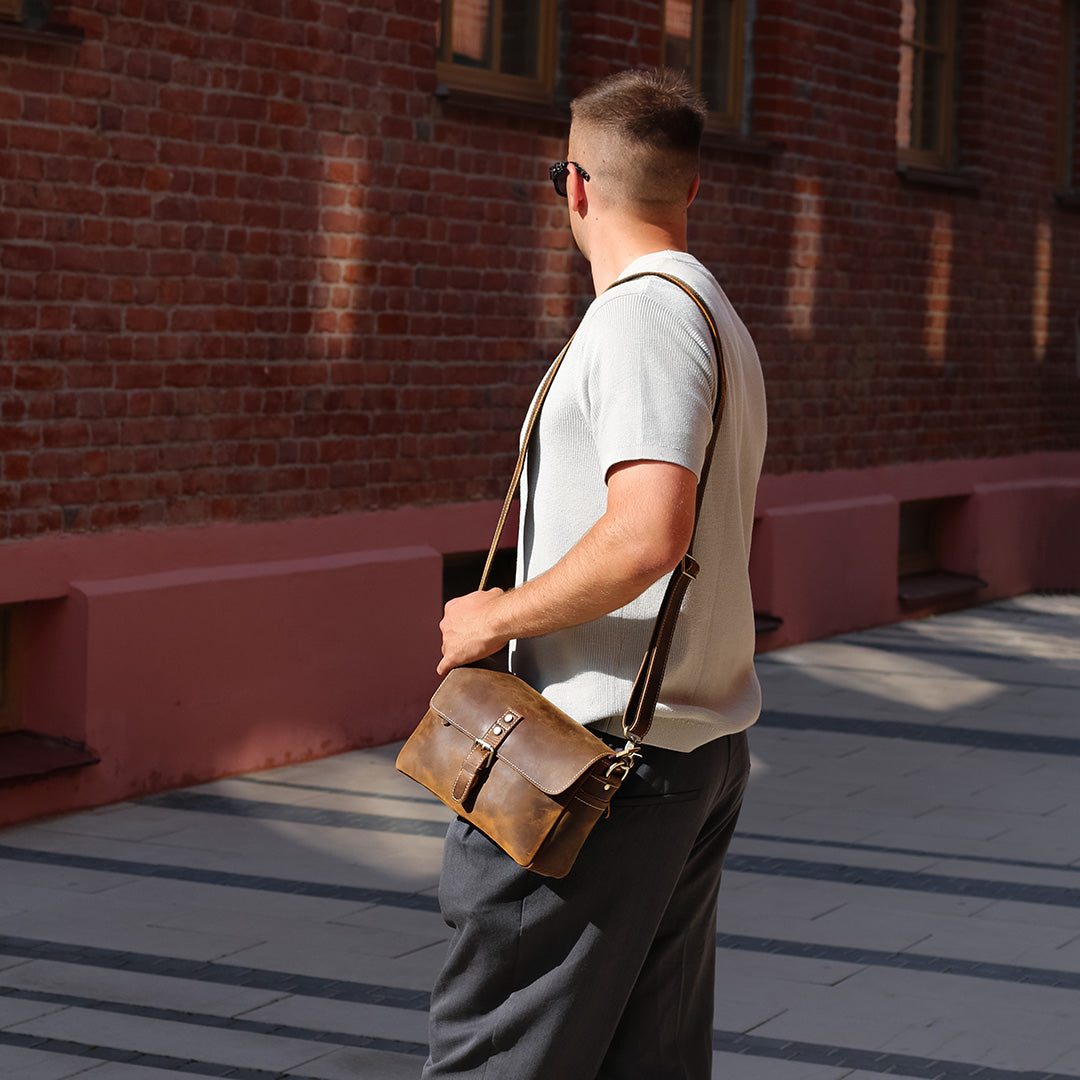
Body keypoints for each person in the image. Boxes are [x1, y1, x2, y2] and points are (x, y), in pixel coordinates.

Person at [424, 67, 768, 1080]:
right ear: (691, 187)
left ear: (573, 185)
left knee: (499, 1052)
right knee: (639, 1059)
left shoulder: (642, 318)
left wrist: (496, 618)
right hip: (676, 755)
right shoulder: (711, 310)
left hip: (596, 766)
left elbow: (646, 531)